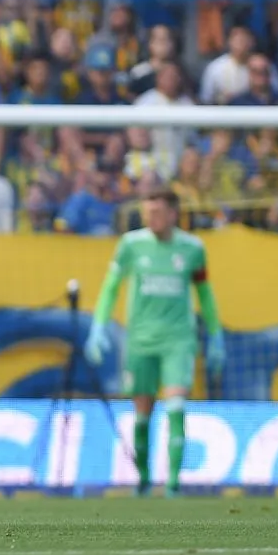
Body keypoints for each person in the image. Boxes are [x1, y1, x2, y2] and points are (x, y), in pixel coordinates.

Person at [85, 187, 224, 498]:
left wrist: (215, 334)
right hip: (140, 341)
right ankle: (144, 480)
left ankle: (173, 484)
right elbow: (111, 286)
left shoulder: (192, 249)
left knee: (176, 405)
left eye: (158, 212)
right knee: (142, 412)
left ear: (174, 213)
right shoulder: (131, 245)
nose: (152, 217)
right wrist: (98, 325)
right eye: (147, 212)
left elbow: (204, 293)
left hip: (178, 340)